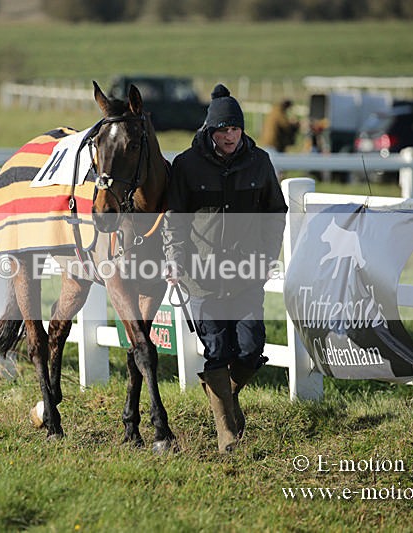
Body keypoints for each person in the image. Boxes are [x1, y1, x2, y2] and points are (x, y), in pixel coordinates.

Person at [163, 84, 288, 453]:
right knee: (217, 351)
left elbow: (274, 214)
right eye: (222, 129)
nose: (229, 135)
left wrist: (266, 257)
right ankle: (226, 432)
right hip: (200, 277)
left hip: (247, 273)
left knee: (250, 349)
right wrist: (174, 258)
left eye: (234, 128)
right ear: (209, 131)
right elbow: (175, 219)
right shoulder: (186, 165)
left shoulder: (260, 162)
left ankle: (226, 399)